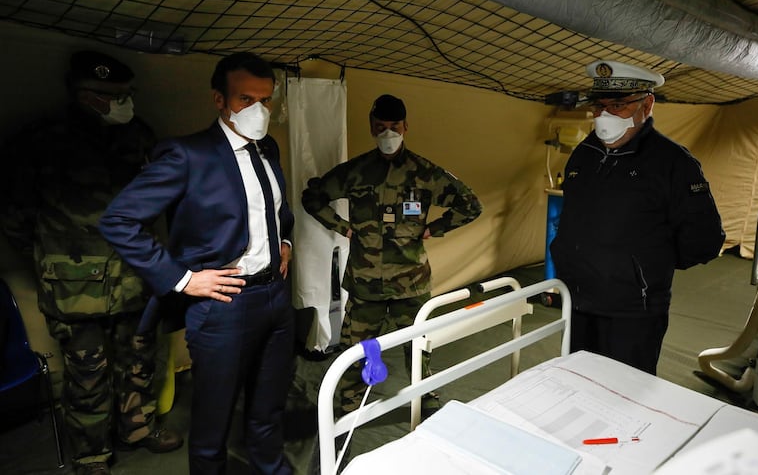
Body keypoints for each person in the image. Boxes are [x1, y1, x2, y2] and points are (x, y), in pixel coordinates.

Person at [99, 52, 295, 475]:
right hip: (226, 303)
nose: (259, 110)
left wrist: (286, 241)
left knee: (269, 405)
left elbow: (272, 207)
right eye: (246, 99)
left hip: (275, 295)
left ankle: (272, 469)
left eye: (266, 100)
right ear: (219, 100)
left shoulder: (269, 148)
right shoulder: (189, 154)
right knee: (214, 420)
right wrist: (182, 279)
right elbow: (118, 220)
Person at [0, 50, 183, 475]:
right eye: (108, 94)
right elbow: (15, 217)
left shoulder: (140, 137)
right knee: (86, 375)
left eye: (125, 94)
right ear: (82, 93)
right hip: (74, 287)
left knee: (139, 361)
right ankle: (92, 453)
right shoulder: (42, 141)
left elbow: (161, 200)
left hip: (135, 279)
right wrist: (54, 259)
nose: (122, 102)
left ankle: (137, 428)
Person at [301, 94, 482, 414]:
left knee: (418, 344)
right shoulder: (355, 172)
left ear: (406, 127)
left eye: (394, 127)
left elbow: (470, 205)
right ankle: (349, 401)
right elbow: (312, 198)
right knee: (358, 346)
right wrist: (342, 227)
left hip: (410, 282)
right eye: (381, 127)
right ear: (372, 128)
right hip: (365, 282)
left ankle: (424, 393)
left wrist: (434, 228)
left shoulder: (425, 173)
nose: (388, 134)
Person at [550, 60, 725, 375]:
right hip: (577, 302)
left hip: (633, 311)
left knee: (627, 394)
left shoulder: (672, 163)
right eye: (599, 106)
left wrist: (645, 267)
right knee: (579, 384)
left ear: (647, 104)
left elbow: (704, 239)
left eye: (618, 105)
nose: (604, 115)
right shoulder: (584, 155)